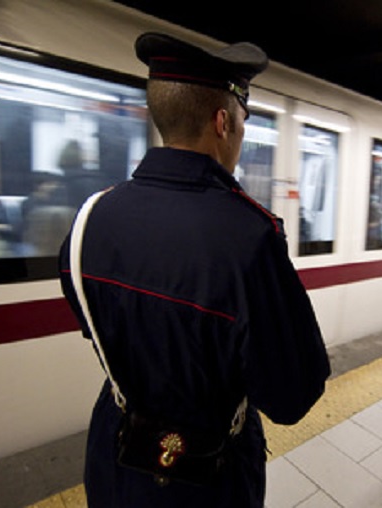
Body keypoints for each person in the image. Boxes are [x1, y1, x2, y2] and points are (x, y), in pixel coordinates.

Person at [58, 32, 330, 507]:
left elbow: (95, 322)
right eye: (243, 122)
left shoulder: (90, 218)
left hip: (114, 454)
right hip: (208, 473)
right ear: (222, 122)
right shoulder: (250, 238)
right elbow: (292, 396)